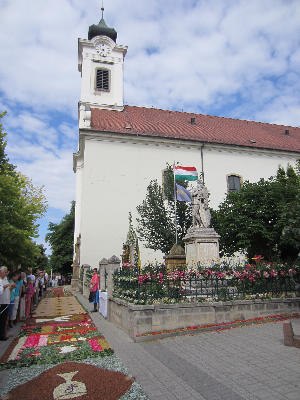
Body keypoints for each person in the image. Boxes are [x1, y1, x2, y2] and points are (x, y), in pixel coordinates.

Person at [0, 266, 13, 340]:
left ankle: (3, 334)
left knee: (4, 320)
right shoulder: (0, 280)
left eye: (6, 272)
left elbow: (8, 290)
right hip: (2, 303)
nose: (6, 274)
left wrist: (12, 287)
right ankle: (2, 335)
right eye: (5, 272)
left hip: (6, 302)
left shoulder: (5, 279)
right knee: (2, 320)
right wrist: (4, 287)